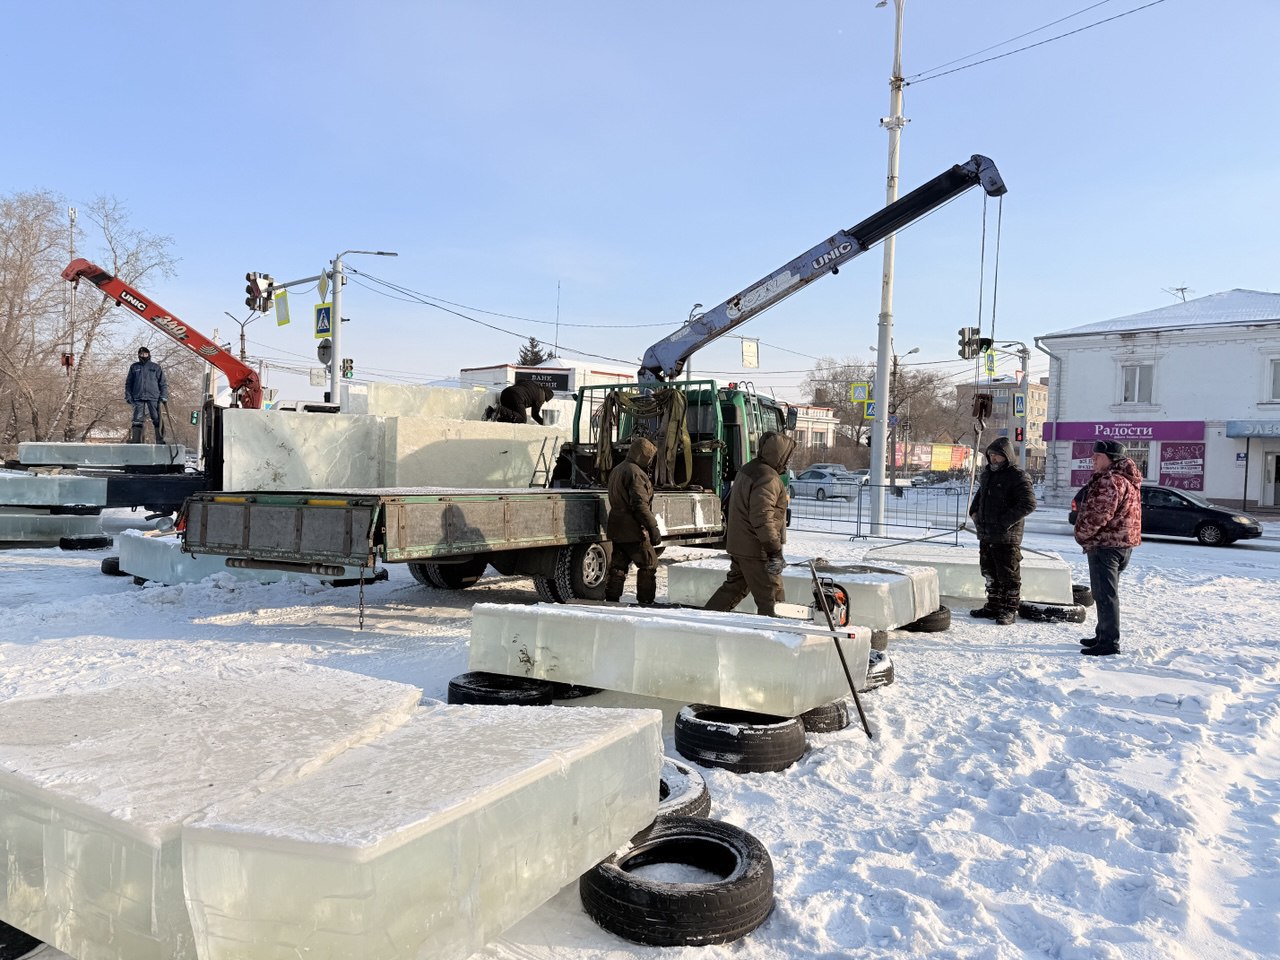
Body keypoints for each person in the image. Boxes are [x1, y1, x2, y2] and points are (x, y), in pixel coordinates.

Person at [704, 431, 796, 618]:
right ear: (780, 455)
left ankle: (703, 622)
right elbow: (762, 517)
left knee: (733, 589)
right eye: (787, 456)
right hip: (757, 549)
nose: (788, 461)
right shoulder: (768, 478)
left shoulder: (749, 469)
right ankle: (775, 637)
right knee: (773, 598)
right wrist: (774, 551)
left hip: (741, 544)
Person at [1073, 439, 1143, 656]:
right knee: (1107, 593)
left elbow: (1099, 514)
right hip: (1121, 545)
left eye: (1098, 456)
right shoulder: (1128, 480)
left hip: (1105, 546)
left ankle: (1109, 642)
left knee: (1104, 595)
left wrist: (1081, 534)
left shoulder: (1110, 481)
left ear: (1112, 459)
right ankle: (1103, 634)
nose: (1093, 459)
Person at [968, 435, 1037, 625]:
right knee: (989, 571)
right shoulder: (988, 474)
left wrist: (1004, 521)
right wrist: (974, 512)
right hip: (987, 534)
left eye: (997, 456)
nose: (994, 459)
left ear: (1007, 456)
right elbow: (981, 496)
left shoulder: (1018, 476)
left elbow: (1029, 503)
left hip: (1007, 536)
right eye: (991, 455)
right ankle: (994, 605)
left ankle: (1009, 609)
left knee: (1008, 574)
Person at [603, 437, 662, 605]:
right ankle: (646, 601)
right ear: (643, 456)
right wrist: (653, 527)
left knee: (618, 565)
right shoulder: (636, 473)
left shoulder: (618, 469)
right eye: (649, 457)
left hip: (616, 526)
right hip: (633, 529)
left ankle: (611, 599)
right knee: (648, 564)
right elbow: (639, 505)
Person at [124, 346, 167, 443]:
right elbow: (128, 383)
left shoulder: (155, 367)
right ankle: (136, 441)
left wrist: (164, 395)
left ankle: (160, 440)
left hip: (153, 397)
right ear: (139, 355)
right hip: (138, 397)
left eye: (145, 354)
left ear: (149, 354)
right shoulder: (134, 367)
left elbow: (163, 383)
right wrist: (128, 396)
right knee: (137, 419)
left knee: (156, 418)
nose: (144, 356)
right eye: (141, 354)